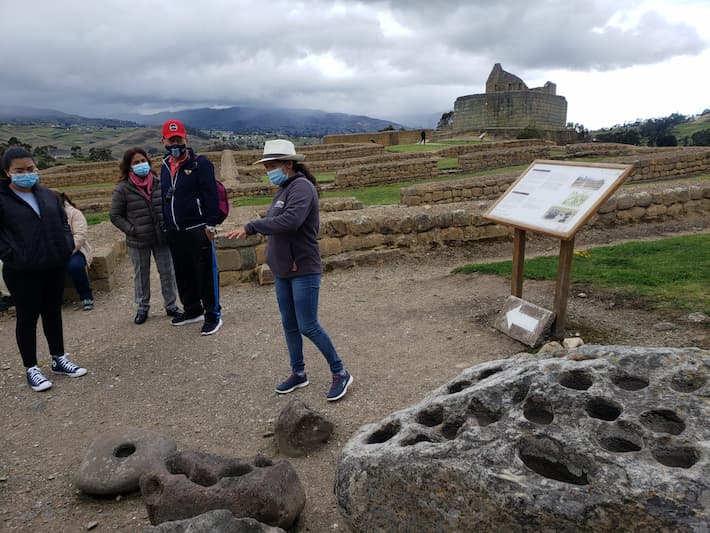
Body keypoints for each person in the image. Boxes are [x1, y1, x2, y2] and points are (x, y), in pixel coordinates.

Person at [225, 140, 353, 402]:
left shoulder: (302, 188)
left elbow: (291, 221)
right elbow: (278, 221)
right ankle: (299, 372)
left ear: (288, 164)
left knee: (308, 325)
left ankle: (340, 372)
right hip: (283, 269)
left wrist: (252, 226)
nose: (269, 171)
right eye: (267, 166)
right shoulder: (284, 189)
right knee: (290, 324)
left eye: (272, 165)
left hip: (303, 268)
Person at [0, 147, 87, 392]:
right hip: (21, 270)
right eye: (19, 170)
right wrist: (12, 255)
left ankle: (59, 358)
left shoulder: (48, 196)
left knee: (52, 313)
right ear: (8, 172)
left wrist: (65, 247)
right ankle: (31, 368)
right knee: (27, 319)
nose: (26, 174)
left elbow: (61, 222)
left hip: (52, 265)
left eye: (30, 169)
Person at [159, 119, 222, 335]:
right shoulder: (165, 165)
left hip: (198, 227)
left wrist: (211, 224)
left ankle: (213, 314)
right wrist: (166, 224)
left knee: (205, 272)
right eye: (171, 139)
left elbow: (210, 196)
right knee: (183, 272)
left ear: (186, 139)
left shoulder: (200, 164)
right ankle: (192, 309)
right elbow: (164, 198)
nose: (175, 143)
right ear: (164, 141)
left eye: (179, 139)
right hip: (175, 231)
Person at [110, 147, 180, 324]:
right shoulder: (123, 189)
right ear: (128, 167)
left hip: (161, 236)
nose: (141, 165)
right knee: (141, 274)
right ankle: (142, 308)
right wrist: (133, 230)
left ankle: (171, 305)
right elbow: (115, 215)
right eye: (136, 163)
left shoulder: (159, 182)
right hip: (138, 240)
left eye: (143, 161)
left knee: (167, 272)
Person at [56, 191, 95, 310]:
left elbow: (80, 235)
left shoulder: (74, 213)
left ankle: (86, 296)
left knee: (75, 266)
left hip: (75, 250)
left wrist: (66, 251)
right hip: (53, 252)